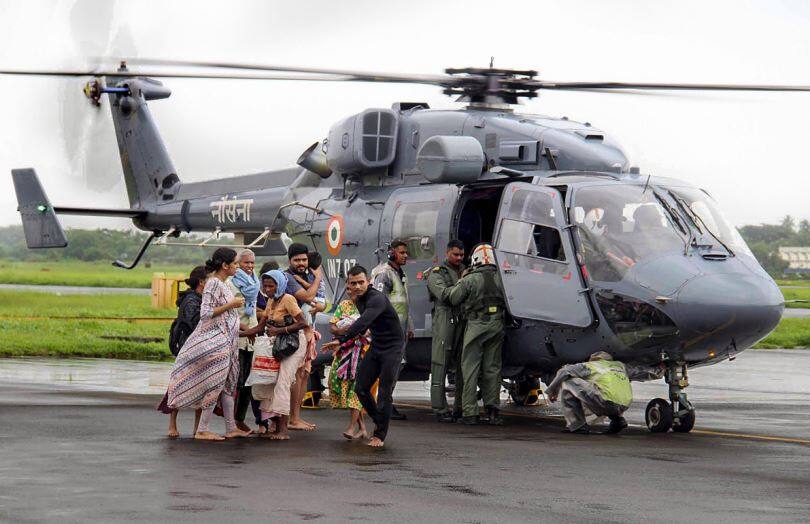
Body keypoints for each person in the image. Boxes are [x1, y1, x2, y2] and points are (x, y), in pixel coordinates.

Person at [167, 248, 251, 441]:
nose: (238, 267)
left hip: (227, 343)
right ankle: (202, 429)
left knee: (228, 386)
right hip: (215, 343)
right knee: (214, 385)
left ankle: (230, 427)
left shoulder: (223, 283)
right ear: (225, 265)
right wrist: (232, 305)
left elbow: (224, 316)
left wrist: (243, 326)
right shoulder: (214, 283)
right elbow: (206, 313)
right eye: (235, 264)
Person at [327, 265, 405, 448]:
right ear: (348, 284)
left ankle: (379, 435)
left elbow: (362, 323)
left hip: (392, 348)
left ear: (369, 281)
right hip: (377, 345)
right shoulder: (358, 299)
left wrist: (340, 340)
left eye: (361, 282)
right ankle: (380, 420)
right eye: (353, 283)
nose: (357, 287)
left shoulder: (376, 299)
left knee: (384, 393)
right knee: (361, 388)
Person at [443, 244, 507, 426]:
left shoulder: (470, 278)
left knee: (470, 368)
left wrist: (460, 280)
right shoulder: (501, 277)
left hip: (476, 325)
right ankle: (493, 411)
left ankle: (470, 413)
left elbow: (453, 298)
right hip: (497, 324)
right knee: (492, 368)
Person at [244, 270, 309, 440]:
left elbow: (303, 322)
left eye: (271, 286)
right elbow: (260, 327)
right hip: (279, 344)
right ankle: (273, 423)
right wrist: (238, 334)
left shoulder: (288, 299)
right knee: (269, 380)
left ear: (279, 285)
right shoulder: (272, 300)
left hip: (293, 344)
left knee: (283, 382)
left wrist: (280, 330)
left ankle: (283, 430)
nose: (267, 290)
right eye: (265, 286)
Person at [546, 352, 664, 435]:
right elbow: (643, 372)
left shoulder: (591, 366)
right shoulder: (620, 366)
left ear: (593, 359)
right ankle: (618, 420)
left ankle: (577, 425)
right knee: (608, 391)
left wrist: (553, 390)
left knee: (568, 381)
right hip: (624, 405)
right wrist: (661, 369)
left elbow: (564, 371)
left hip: (604, 402)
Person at [157, 265, 206, 437]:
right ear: (201, 282)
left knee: (201, 386)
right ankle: (172, 425)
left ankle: (196, 428)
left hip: (196, 347)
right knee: (178, 385)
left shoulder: (198, 298)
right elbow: (193, 324)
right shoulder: (192, 301)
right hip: (188, 347)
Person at [283, 243, 325, 431]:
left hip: (309, 332)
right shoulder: (288, 277)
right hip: (295, 332)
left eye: (304, 259)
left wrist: (320, 305)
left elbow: (322, 303)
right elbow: (308, 296)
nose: (301, 263)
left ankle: (296, 417)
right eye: (297, 260)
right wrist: (318, 278)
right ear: (290, 260)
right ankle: (292, 418)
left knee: (304, 374)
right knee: (297, 375)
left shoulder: (307, 275)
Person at [370, 240, 413, 420]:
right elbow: (378, 301)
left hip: (400, 330)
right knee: (389, 367)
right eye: (401, 252)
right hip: (388, 331)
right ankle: (383, 405)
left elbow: (403, 304)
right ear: (391, 253)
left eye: (405, 253)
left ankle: (385, 402)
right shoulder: (385, 275)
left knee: (396, 367)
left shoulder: (400, 275)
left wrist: (408, 325)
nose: (405, 256)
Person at [426, 240, 466, 422]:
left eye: (461, 255)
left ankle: (460, 407)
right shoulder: (437, 274)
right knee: (440, 363)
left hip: (462, 319)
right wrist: (465, 285)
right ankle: (440, 407)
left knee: (462, 365)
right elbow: (444, 295)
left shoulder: (465, 271)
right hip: (444, 319)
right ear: (447, 253)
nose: (459, 258)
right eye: (455, 254)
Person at [326, 289, 369, 440]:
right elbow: (332, 326)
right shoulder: (344, 305)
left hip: (362, 353)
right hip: (343, 353)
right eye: (350, 287)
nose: (353, 290)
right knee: (339, 384)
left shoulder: (370, 306)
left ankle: (351, 428)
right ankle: (362, 428)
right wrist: (343, 330)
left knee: (356, 390)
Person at [229, 249, 259, 434]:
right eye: (246, 263)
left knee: (249, 382)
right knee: (236, 382)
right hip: (238, 338)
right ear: (238, 264)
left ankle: (239, 420)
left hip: (252, 339)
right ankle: (230, 421)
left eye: (252, 263)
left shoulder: (254, 283)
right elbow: (229, 314)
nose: (249, 266)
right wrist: (246, 329)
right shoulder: (230, 284)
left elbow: (254, 309)